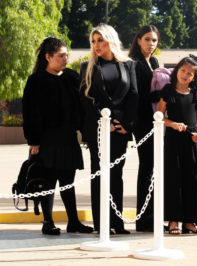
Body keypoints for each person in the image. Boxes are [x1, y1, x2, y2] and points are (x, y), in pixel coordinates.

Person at [22, 37, 93, 235]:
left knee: (68, 182)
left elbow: (82, 108)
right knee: (48, 182)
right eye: (61, 56)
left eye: (66, 55)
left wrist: (84, 133)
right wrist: (33, 141)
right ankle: (48, 222)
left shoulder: (71, 77)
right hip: (47, 139)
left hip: (69, 137)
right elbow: (30, 113)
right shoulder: (36, 81)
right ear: (48, 57)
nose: (65, 59)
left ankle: (74, 222)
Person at [79, 24, 138, 234]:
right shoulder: (87, 66)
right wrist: (105, 122)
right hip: (98, 129)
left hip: (121, 130)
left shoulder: (128, 65)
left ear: (110, 40)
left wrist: (126, 125)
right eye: (93, 41)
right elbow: (85, 101)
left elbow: (133, 96)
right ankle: (101, 223)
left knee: (116, 175)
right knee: (98, 174)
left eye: (100, 40)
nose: (96, 45)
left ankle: (117, 223)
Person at [157, 56, 197, 235]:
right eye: (183, 71)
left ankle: (191, 222)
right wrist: (173, 124)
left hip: (191, 140)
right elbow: (159, 116)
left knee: (192, 179)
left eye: (190, 73)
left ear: (194, 76)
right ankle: (173, 221)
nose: (185, 75)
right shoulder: (168, 90)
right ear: (177, 71)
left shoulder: (195, 92)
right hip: (173, 140)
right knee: (173, 179)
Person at [128, 25, 160, 232]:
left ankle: (153, 216)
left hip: (156, 121)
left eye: (154, 41)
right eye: (147, 39)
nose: (151, 44)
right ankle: (144, 219)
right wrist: (161, 94)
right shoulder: (134, 63)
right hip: (142, 122)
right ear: (138, 40)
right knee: (147, 168)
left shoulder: (154, 61)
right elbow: (137, 96)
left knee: (154, 169)